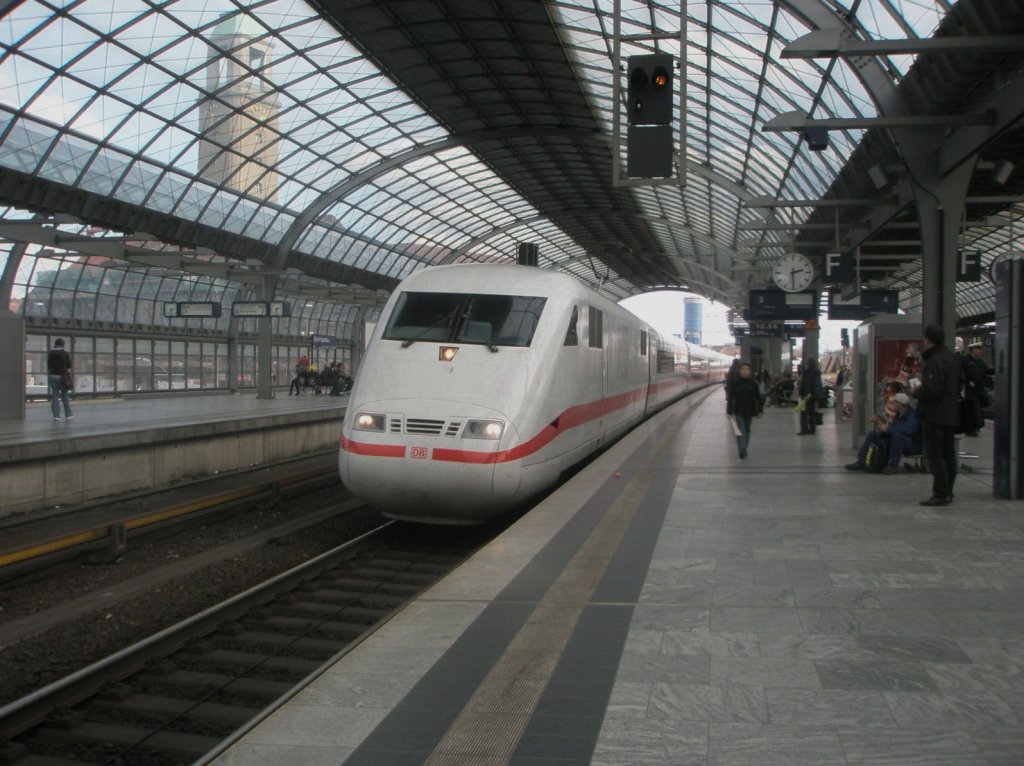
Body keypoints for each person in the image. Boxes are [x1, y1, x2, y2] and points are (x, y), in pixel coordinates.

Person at [912, 324, 962, 506]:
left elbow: (933, 389)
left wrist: (916, 392)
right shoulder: (952, 358)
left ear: (928, 339)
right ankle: (948, 491)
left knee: (935, 454)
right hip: (951, 414)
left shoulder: (935, 360)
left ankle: (940, 493)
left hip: (935, 414)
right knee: (949, 454)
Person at [845, 392, 921, 474]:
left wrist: (888, 429)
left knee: (898, 437)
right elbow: (894, 428)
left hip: (912, 445)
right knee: (873, 434)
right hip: (897, 440)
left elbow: (908, 429)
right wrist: (881, 424)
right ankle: (861, 461)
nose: (892, 405)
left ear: (900, 404)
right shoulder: (898, 414)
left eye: (894, 403)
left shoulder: (912, 415)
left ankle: (893, 465)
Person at [726, 362, 763, 459]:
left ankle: (744, 448)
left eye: (747, 369)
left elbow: (758, 398)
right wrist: (729, 411)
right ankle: (742, 449)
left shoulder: (753, 384)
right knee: (741, 430)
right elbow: (731, 398)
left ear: (750, 372)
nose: (745, 371)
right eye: (743, 369)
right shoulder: (736, 383)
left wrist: (760, 410)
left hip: (750, 411)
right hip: (738, 411)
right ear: (740, 371)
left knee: (747, 430)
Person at [961, 342, 991, 437]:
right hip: (969, 390)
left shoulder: (980, 362)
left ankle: (975, 427)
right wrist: (967, 382)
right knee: (972, 409)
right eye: (978, 349)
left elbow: (987, 372)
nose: (980, 351)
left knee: (978, 409)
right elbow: (960, 373)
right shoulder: (965, 361)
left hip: (979, 389)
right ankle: (970, 429)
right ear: (972, 350)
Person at [47, 338, 74, 421]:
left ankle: (56, 416)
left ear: (55, 344)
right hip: (62, 377)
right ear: (63, 345)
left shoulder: (50, 353)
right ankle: (68, 414)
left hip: (52, 376)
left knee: (55, 396)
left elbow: (48, 365)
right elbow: (69, 365)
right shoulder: (65, 354)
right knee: (64, 395)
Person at [797, 358, 823, 435]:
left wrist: (804, 394)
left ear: (808, 364)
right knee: (812, 412)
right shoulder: (817, 372)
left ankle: (804, 430)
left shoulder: (807, 372)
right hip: (815, 395)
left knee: (803, 412)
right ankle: (812, 429)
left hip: (807, 395)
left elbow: (806, 384)